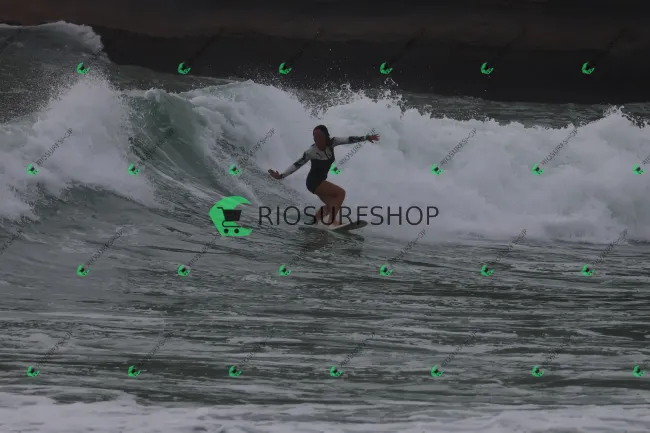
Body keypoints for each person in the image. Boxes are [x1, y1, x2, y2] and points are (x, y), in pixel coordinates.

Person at [268, 125, 380, 227]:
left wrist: (366, 138)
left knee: (332, 204)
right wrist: (281, 176)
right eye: (315, 137)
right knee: (341, 193)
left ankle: (313, 222)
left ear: (326, 136)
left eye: (319, 137)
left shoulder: (333, 142)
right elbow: (297, 165)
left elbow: (349, 139)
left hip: (319, 181)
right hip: (313, 182)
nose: (317, 139)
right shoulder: (311, 151)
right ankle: (332, 221)